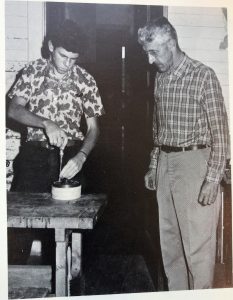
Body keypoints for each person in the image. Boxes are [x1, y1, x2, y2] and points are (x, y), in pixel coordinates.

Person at [138, 17, 229, 290]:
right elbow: (158, 129)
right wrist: (154, 166)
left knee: (197, 249)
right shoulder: (160, 79)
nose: (151, 60)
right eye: (147, 54)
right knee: (171, 245)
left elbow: (221, 134)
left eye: (154, 52)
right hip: (166, 163)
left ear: (172, 43)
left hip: (195, 164)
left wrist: (212, 179)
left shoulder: (203, 76)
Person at [7, 19, 104, 264]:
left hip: (71, 158)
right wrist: (46, 123)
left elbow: (94, 129)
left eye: (74, 59)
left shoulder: (86, 80)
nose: (68, 65)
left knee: (70, 234)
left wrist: (81, 156)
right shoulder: (31, 72)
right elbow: (14, 110)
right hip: (33, 158)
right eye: (63, 56)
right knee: (19, 234)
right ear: (51, 46)